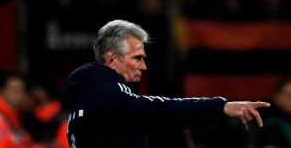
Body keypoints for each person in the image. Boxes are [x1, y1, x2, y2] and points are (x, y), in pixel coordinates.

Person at [62, 19, 270, 148]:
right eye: (137, 58)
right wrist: (221, 106)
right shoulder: (110, 93)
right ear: (112, 59)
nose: (143, 66)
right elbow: (162, 110)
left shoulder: (85, 97)